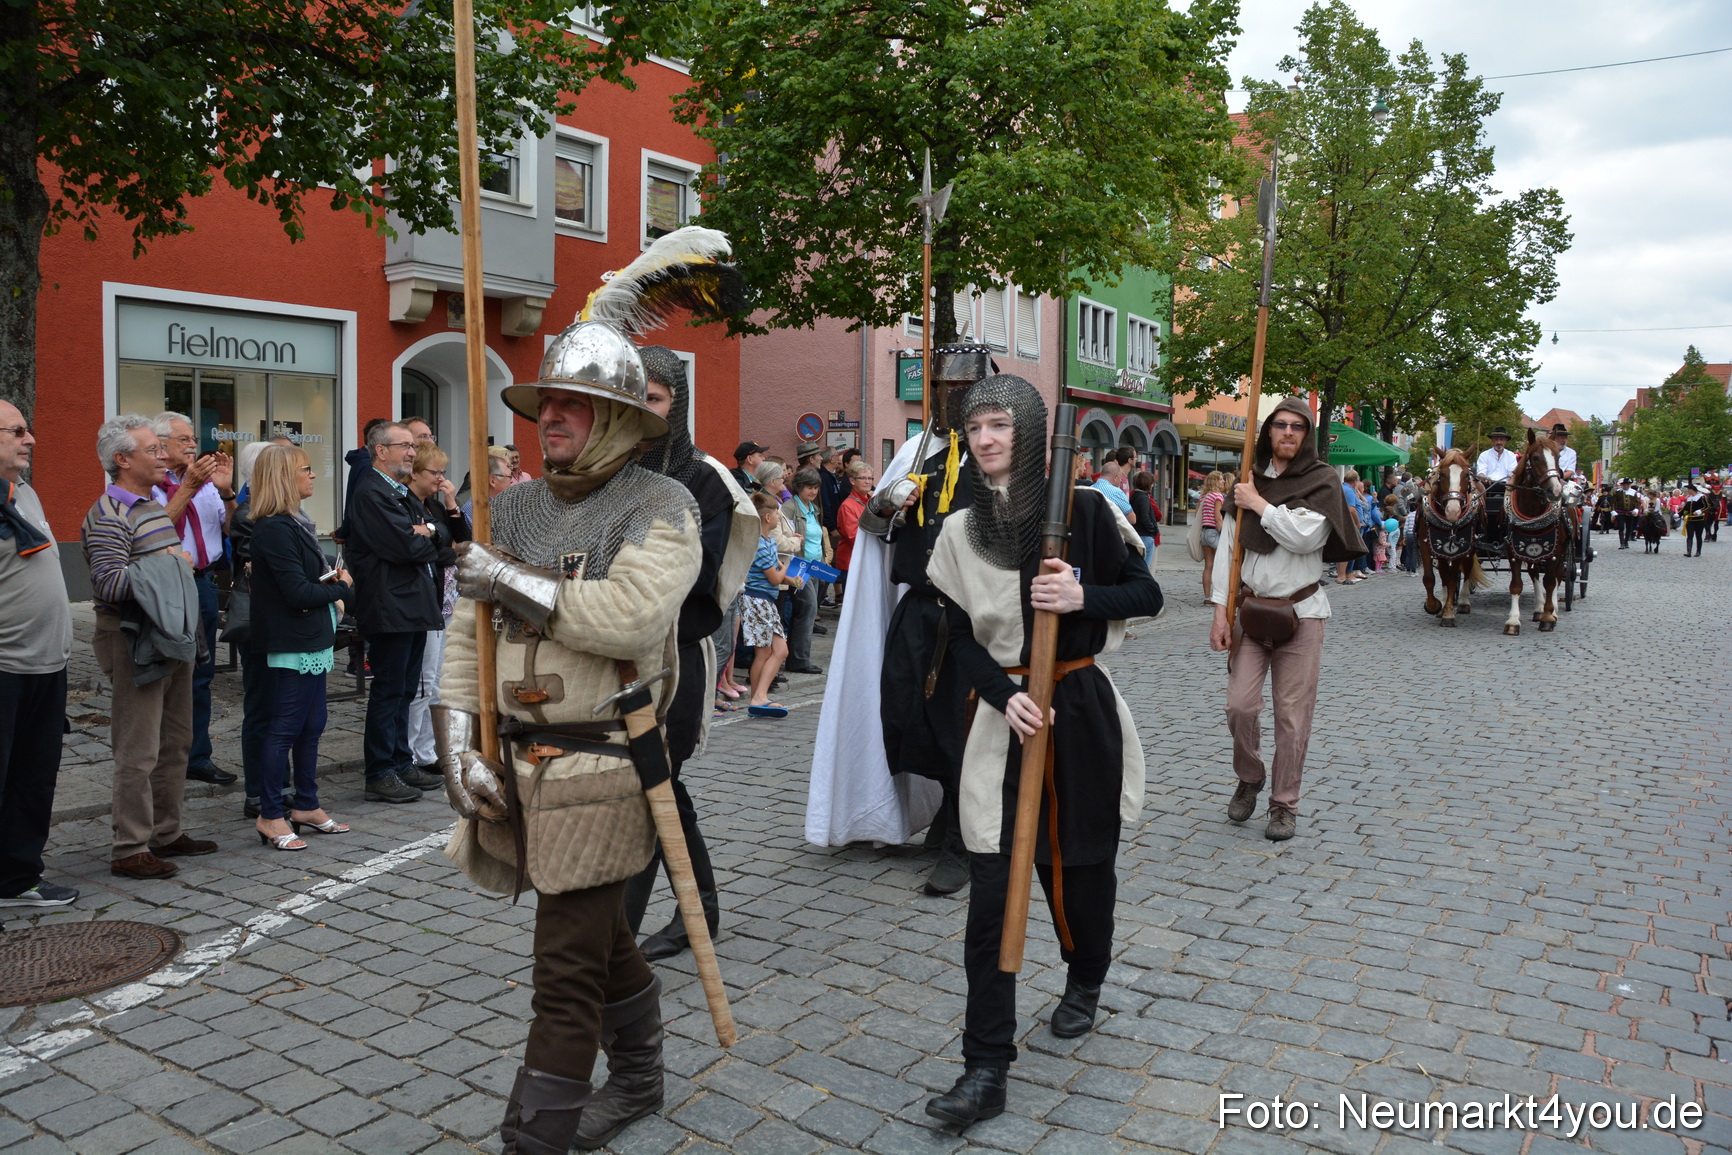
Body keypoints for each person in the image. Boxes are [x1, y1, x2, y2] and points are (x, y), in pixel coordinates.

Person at [435, 320, 700, 1153]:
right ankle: (640, 1077)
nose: (550, 415)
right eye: (546, 400)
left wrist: (506, 575)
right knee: (598, 935)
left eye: (573, 404)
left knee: (564, 965)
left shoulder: (662, 505)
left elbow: (633, 616)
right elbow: (468, 637)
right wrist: (457, 743)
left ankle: (535, 1137)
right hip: (521, 759)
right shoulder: (511, 506)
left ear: (616, 417)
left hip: (607, 761)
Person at [921, 374, 1162, 1125]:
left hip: (1080, 707)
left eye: (999, 424)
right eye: (974, 428)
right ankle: (985, 1065)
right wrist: (1001, 692)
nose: (986, 439)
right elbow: (959, 636)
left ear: (1028, 432)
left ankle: (1085, 975)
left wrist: (1084, 597)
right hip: (1007, 717)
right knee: (992, 894)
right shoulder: (960, 531)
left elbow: (1147, 594)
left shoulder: (1087, 510)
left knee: (1081, 871)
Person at [621, 345, 757, 962]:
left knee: (652, 785)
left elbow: (698, 575)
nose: (640, 408)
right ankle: (698, 910)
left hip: (673, 654)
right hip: (614, 651)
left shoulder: (704, 479)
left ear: (675, 403)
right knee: (658, 787)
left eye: (652, 398)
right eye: (632, 396)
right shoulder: (611, 469)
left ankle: (615, 938)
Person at [1208, 399, 1364, 843]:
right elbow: (1228, 552)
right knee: (1239, 707)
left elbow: (1303, 537)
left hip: (1302, 613)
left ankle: (1284, 804)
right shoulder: (1248, 480)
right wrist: (1220, 611)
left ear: (1307, 434)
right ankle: (1250, 776)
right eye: (1281, 425)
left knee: (1292, 719)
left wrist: (1258, 503)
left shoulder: (1321, 480)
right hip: (1251, 612)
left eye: (1298, 426)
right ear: (1269, 431)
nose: (1289, 432)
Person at [83, 415, 219, 880]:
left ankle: (166, 831)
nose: (164, 456)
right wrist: (175, 566)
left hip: (168, 635)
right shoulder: (109, 514)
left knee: (175, 741)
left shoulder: (151, 506)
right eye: (153, 450)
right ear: (123, 460)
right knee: (138, 749)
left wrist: (172, 566)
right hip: (132, 638)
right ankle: (129, 848)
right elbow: (109, 583)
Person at [246, 445, 354, 851]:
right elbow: (296, 592)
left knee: (312, 725)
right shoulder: (274, 528)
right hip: (290, 640)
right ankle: (270, 814)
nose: (312, 475)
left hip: (311, 637)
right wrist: (341, 587)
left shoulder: (294, 523)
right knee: (285, 729)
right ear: (283, 478)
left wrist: (329, 582)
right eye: (305, 469)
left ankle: (306, 803)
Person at [0, 404, 78, 908]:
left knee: (33, 777)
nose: (30, 440)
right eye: (17, 431)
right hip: (5, 667)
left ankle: (17, 876)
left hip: (47, 664)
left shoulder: (23, 492)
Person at [345, 421, 444, 804]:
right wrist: (425, 535)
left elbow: (439, 541)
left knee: (406, 688)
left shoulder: (397, 491)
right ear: (381, 451)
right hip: (390, 604)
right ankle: (380, 770)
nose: (412, 452)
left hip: (410, 603)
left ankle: (401, 762)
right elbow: (406, 547)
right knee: (389, 690)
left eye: (412, 446)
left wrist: (428, 532)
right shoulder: (372, 492)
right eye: (404, 445)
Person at [151, 412, 239, 786]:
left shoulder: (205, 486)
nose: (192, 444)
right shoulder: (151, 484)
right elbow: (152, 532)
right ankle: (162, 756)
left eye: (192, 439)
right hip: (166, 586)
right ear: (160, 445)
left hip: (203, 582)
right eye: (183, 439)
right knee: (165, 673)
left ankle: (197, 756)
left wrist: (227, 492)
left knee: (201, 674)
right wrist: (188, 486)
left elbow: (232, 529)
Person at [404, 443, 471, 781]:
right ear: (415, 473)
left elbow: (463, 541)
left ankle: (427, 750)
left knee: (439, 681)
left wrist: (451, 504)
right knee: (423, 679)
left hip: (445, 598)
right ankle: (410, 752)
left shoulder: (435, 504)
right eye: (435, 472)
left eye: (444, 472)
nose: (440, 478)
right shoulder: (406, 503)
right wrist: (443, 544)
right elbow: (433, 550)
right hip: (425, 599)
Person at [228, 440, 280, 820]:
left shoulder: (281, 513)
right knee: (262, 707)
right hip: (262, 624)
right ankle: (258, 792)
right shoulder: (249, 515)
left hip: (283, 623)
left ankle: (278, 786)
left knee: (283, 710)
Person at [741, 492, 797, 717]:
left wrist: (790, 579)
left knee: (776, 651)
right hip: (757, 600)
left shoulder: (768, 542)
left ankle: (758, 697)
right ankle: (758, 697)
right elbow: (774, 577)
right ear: (767, 517)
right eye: (776, 514)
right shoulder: (760, 544)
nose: (778, 517)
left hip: (765, 601)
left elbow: (776, 575)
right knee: (766, 652)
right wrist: (785, 569)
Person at [782, 468, 828, 675]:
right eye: (810, 487)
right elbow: (784, 537)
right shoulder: (790, 508)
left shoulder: (812, 508)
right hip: (798, 566)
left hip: (815, 565)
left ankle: (796, 657)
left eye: (816, 488)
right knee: (808, 609)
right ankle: (800, 660)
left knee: (807, 611)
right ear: (799, 487)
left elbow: (818, 538)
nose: (814, 491)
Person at [832, 460, 874, 602]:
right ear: (852, 480)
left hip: (866, 561)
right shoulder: (848, 506)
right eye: (863, 478)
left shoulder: (871, 502)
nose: (867, 482)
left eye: (870, 478)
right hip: (852, 562)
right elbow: (853, 537)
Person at [462, 446, 514, 523]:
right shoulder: (475, 510)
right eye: (509, 477)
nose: (512, 481)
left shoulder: (502, 504)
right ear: (492, 481)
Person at [1198, 471, 1227, 601]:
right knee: (1219, 565)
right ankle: (1217, 596)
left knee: (1208, 565)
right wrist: (1224, 533)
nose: (1223, 481)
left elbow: (1198, 515)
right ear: (1215, 482)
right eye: (1221, 479)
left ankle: (1207, 596)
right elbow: (1218, 518)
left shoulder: (1203, 497)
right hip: (1214, 533)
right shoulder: (1217, 496)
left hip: (1204, 533)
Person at [1129, 470, 1161, 572]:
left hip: (1137, 534)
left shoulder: (1134, 496)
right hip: (1146, 535)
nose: (1153, 485)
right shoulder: (1144, 498)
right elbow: (1145, 517)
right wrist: (1153, 529)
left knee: (1137, 565)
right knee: (1144, 568)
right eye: (1152, 483)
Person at [1682, 484, 1711, 557]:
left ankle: (1698, 551)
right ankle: (1689, 552)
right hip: (1690, 520)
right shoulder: (1689, 498)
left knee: (1698, 536)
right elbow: (1685, 509)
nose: (1688, 491)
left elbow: (1708, 506)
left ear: (1691, 490)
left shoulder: (1702, 497)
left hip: (1699, 520)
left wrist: (1700, 511)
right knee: (1689, 536)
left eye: (1688, 489)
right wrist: (1678, 514)